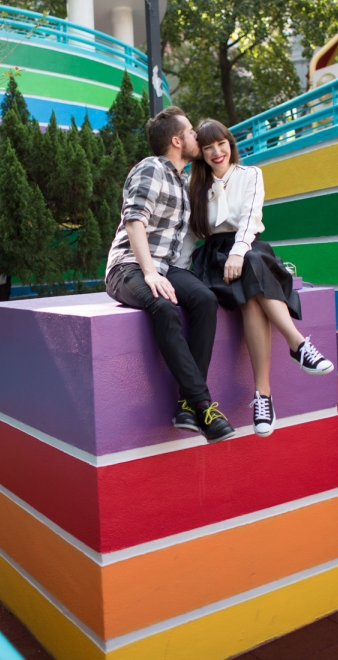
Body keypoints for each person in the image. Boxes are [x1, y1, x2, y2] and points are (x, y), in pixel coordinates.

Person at [189, 118, 333, 438]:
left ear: (230, 143)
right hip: (214, 258)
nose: (217, 152)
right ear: (200, 153)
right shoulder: (196, 186)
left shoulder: (251, 174)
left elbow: (250, 218)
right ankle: (296, 349)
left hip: (250, 248)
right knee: (251, 297)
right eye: (208, 147)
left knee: (251, 275)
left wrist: (239, 253)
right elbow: (190, 235)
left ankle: (263, 395)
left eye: (221, 143)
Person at [105, 106, 235, 443]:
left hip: (166, 268)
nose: (197, 136)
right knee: (163, 307)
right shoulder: (152, 168)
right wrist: (148, 272)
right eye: (192, 132)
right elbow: (135, 220)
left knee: (205, 299)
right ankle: (203, 404)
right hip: (127, 266)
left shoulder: (182, 181)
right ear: (177, 140)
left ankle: (185, 407)